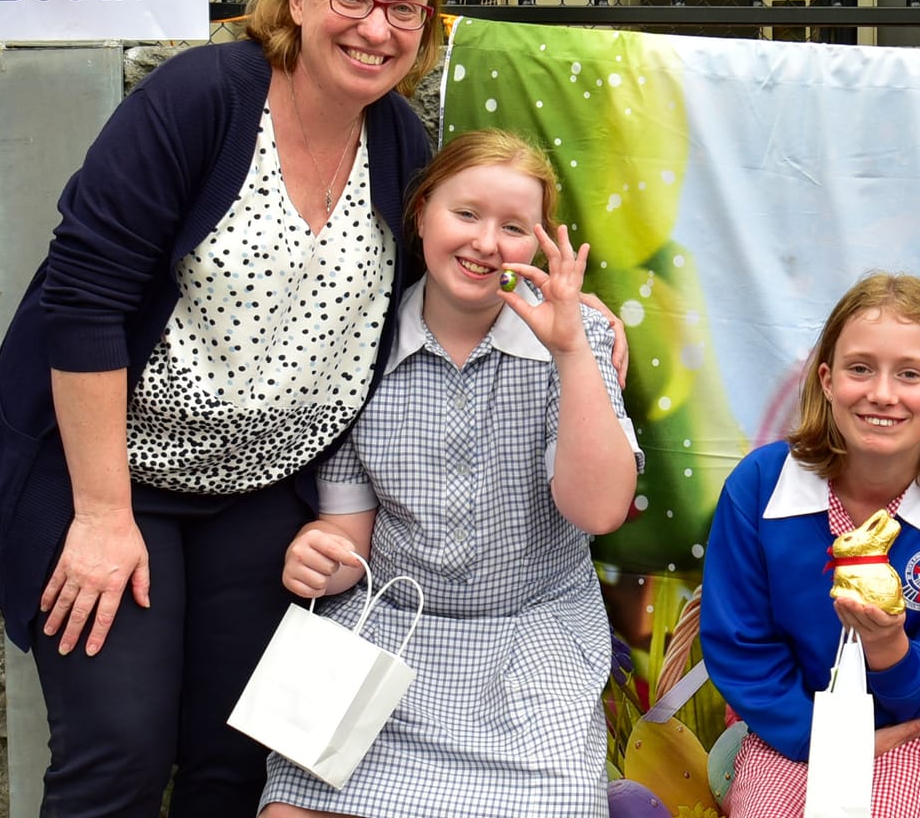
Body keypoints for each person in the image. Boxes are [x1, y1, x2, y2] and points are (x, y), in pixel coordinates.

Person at [0, 0, 444, 818]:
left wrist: (561, 313)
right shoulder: (204, 99)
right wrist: (101, 514)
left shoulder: (400, 141)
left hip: (265, 492)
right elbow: (83, 299)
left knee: (242, 760)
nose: (376, 27)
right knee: (119, 750)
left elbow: (438, 284)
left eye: (405, 8)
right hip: (115, 475)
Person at [258, 128, 640, 817]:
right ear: (423, 211)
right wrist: (317, 556)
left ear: (538, 244)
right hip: (388, 639)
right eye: (467, 214)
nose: (488, 242)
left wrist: (572, 356)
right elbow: (349, 538)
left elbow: (599, 510)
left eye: (514, 226)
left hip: (533, 648)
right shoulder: (362, 340)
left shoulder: (576, 341)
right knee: (290, 809)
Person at [702, 273, 920, 818]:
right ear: (826, 379)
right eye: (860, 368)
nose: (882, 393)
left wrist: (890, 649)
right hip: (795, 722)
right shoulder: (760, 487)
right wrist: (819, 738)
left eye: (910, 374)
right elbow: (741, 645)